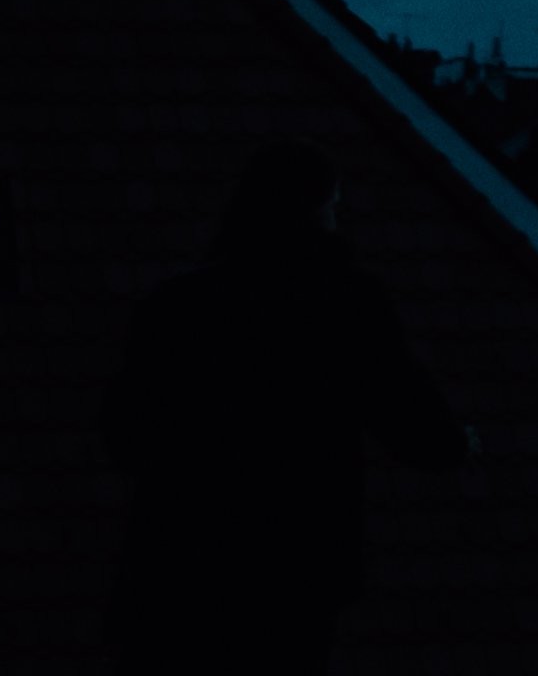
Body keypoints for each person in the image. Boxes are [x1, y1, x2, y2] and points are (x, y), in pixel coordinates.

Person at [106, 142, 472, 673]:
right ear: (319, 208)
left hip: (178, 562)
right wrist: (457, 443)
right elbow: (407, 416)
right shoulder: (345, 300)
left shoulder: (175, 306)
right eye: (335, 206)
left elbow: (124, 438)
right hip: (295, 564)